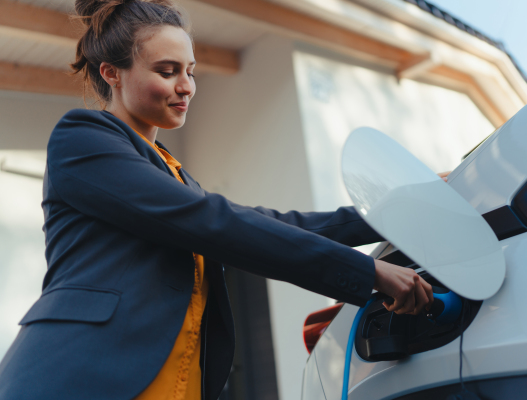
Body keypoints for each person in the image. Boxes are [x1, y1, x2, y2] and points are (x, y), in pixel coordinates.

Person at [0, 0, 433, 399]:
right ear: (112, 73)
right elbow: (213, 221)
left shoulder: (172, 172)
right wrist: (368, 271)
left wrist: (391, 212)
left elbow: (268, 223)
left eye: (190, 71)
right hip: (77, 378)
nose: (186, 86)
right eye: (167, 71)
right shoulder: (82, 139)